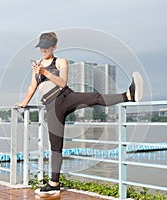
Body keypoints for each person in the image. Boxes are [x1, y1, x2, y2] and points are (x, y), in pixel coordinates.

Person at [16, 31, 143, 195]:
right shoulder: (37, 66)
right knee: (56, 147)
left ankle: (128, 96)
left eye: (47, 47)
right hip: (51, 107)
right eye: (41, 47)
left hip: (66, 96)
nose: (44, 50)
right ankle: (54, 183)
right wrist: (24, 103)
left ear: (54, 47)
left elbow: (62, 82)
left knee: (94, 97)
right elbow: (32, 87)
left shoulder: (60, 62)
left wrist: (45, 72)